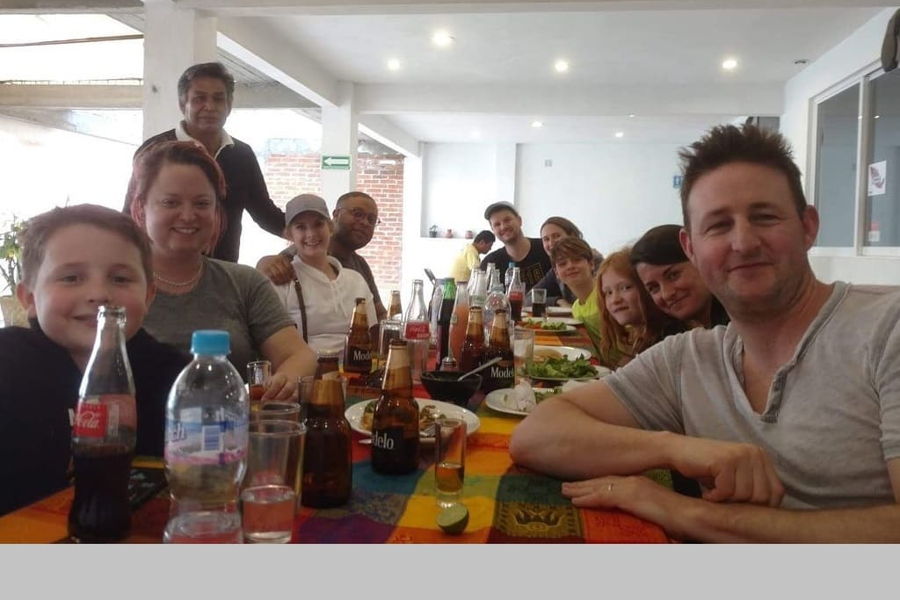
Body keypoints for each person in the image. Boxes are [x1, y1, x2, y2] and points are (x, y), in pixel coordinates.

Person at [510, 124, 900, 542]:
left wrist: (682, 510)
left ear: (808, 227)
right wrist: (673, 447)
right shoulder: (687, 358)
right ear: (691, 247)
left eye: (764, 217)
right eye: (717, 226)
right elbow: (536, 435)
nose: (744, 242)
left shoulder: (886, 327)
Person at [0, 204, 189, 516]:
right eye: (72, 277)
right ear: (30, 298)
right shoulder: (8, 364)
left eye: (120, 279)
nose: (99, 293)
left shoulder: (176, 378)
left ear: (148, 296)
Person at [127, 140, 316, 400]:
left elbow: (299, 355)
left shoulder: (243, 282)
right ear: (140, 208)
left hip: (228, 422)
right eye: (171, 202)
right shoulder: (115, 285)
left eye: (202, 203)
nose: (188, 215)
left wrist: (281, 385)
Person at [125, 62, 284, 262]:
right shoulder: (154, 150)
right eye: (199, 98)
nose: (209, 107)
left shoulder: (242, 155)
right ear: (183, 104)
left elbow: (266, 214)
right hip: (161, 271)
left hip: (222, 273)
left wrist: (311, 228)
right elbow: (131, 215)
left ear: (229, 104)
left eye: (218, 99)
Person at [270, 193, 377, 354]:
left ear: (330, 228)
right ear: (290, 234)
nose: (311, 234)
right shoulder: (282, 279)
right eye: (301, 227)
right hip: (305, 368)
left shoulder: (356, 280)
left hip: (355, 367)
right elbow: (274, 345)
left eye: (318, 224)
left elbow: (372, 337)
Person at [257, 191, 388, 322]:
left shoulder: (358, 268)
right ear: (336, 215)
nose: (365, 222)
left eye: (371, 219)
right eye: (357, 214)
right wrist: (263, 264)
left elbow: (379, 314)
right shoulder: (293, 259)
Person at [631, 224, 729, 329]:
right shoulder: (673, 333)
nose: (667, 294)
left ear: (698, 260)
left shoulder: (739, 321)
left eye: (673, 276)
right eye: (654, 288)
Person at [595, 248, 672, 369]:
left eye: (625, 288)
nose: (615, 300)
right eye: (608, 292)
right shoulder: (639, 335)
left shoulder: (665, 341)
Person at [479, 201, 551, 291]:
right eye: (497, 224)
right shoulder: (490, 264)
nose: (503, 227)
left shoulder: (546, 248)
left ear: (519, 221)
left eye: (507, 220)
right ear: (493, 230)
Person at [549, 237, 603, 352]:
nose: (570, 266)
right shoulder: (576, 308)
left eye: (577, 260)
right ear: (556, 273)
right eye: (563, 264)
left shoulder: (606, 295)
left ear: (591, 264)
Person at [532, 216, 595, 306]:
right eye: (546, 239)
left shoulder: (594, 261)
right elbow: (531, 297)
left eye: (556, 236)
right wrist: (557, 301)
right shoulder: (558, 269)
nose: (551, 243)